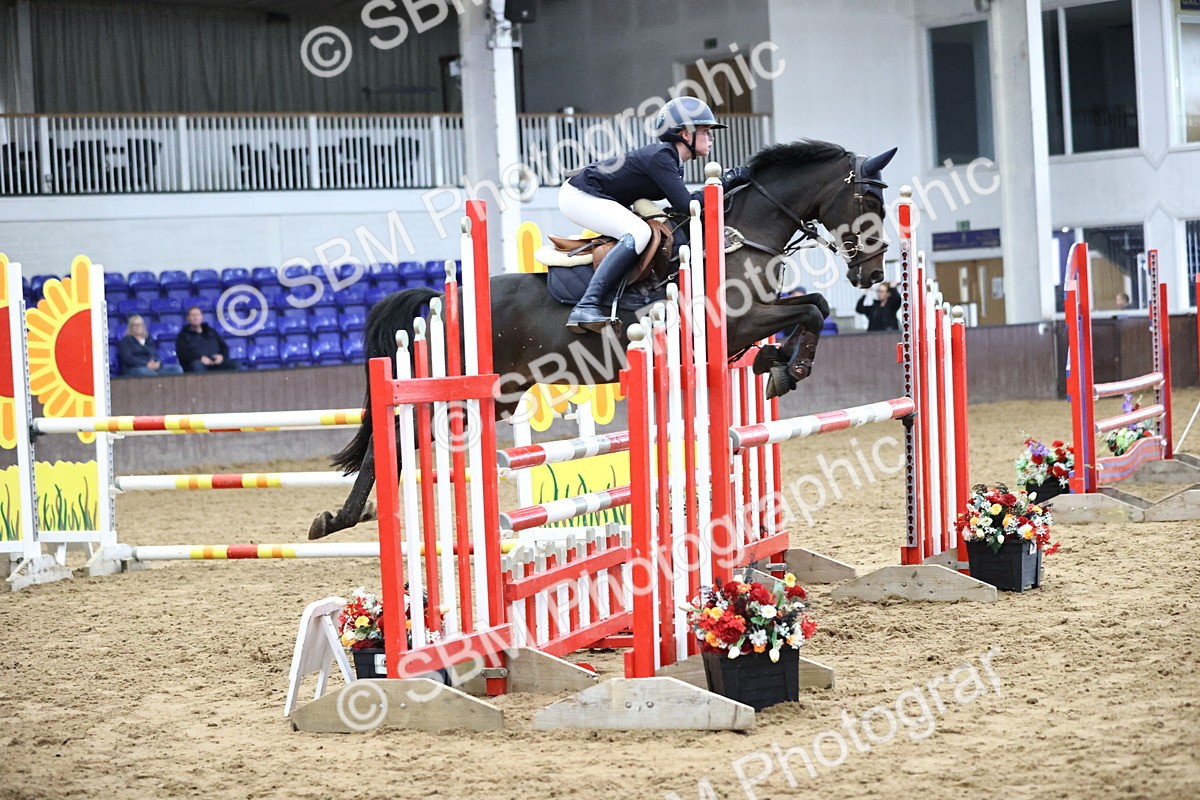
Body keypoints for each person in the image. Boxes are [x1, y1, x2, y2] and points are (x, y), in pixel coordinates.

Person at [557, 96, 747, 333]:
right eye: (706, 131)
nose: (712, 138)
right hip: (579, 195)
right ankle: (587, 304)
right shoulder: (662, 157)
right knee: (638, 232)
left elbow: (679, 210)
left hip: (594, 195)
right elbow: (688, 205)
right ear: (686, 134)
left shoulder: (672, 161)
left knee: (648, 230)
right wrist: (723, 182)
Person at [175, 306, 242, 372]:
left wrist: (222, 357)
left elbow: (224, 347)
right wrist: (200, 358)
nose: (195, 318)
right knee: (197, 365)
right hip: (199, 364)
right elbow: (183, 354)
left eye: (198, 315)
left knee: (235, 364)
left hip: (217, 363)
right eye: (192, 315)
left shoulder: (211, 332)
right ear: (188, 318)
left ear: (202, 317)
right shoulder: (182, 336)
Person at [118, 315, 183, 377]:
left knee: (177, 369)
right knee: (148, 373)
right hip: (135, 368)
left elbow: (155, 353)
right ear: (130, 327)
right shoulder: (125, 341)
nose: (138, 327)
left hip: (152, 367)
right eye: (135, 325)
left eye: (140, 325)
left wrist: (157, 362)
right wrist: (146, 363)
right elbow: (128, 358)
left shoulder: (149, 339)